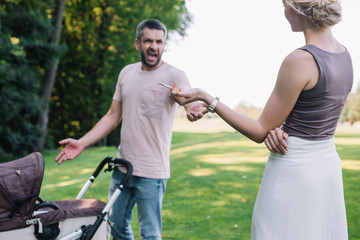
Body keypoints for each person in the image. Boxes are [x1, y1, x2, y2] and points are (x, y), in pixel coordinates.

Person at [170, 0, 353, 239]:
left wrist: (208, 98)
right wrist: (278, 128)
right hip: (327, 166)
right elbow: (313, 117)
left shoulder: (300, 60)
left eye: (284, 4)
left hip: (293, 167)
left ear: (297, 9)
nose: (283, 10)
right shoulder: (345, 55)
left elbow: (259, 130)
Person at [55, 19, 207, 240]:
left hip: (152, 172)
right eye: (148, 41)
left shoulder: (175, 75)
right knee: (115, 228)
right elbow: (112, 116)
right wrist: (82, 142)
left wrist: (194, 110)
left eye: (159, 41)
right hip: (122, 167)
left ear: (164, 45)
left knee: (150, 234)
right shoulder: (126, 73)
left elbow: (190, 102)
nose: (153, 46)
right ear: (138, 43)